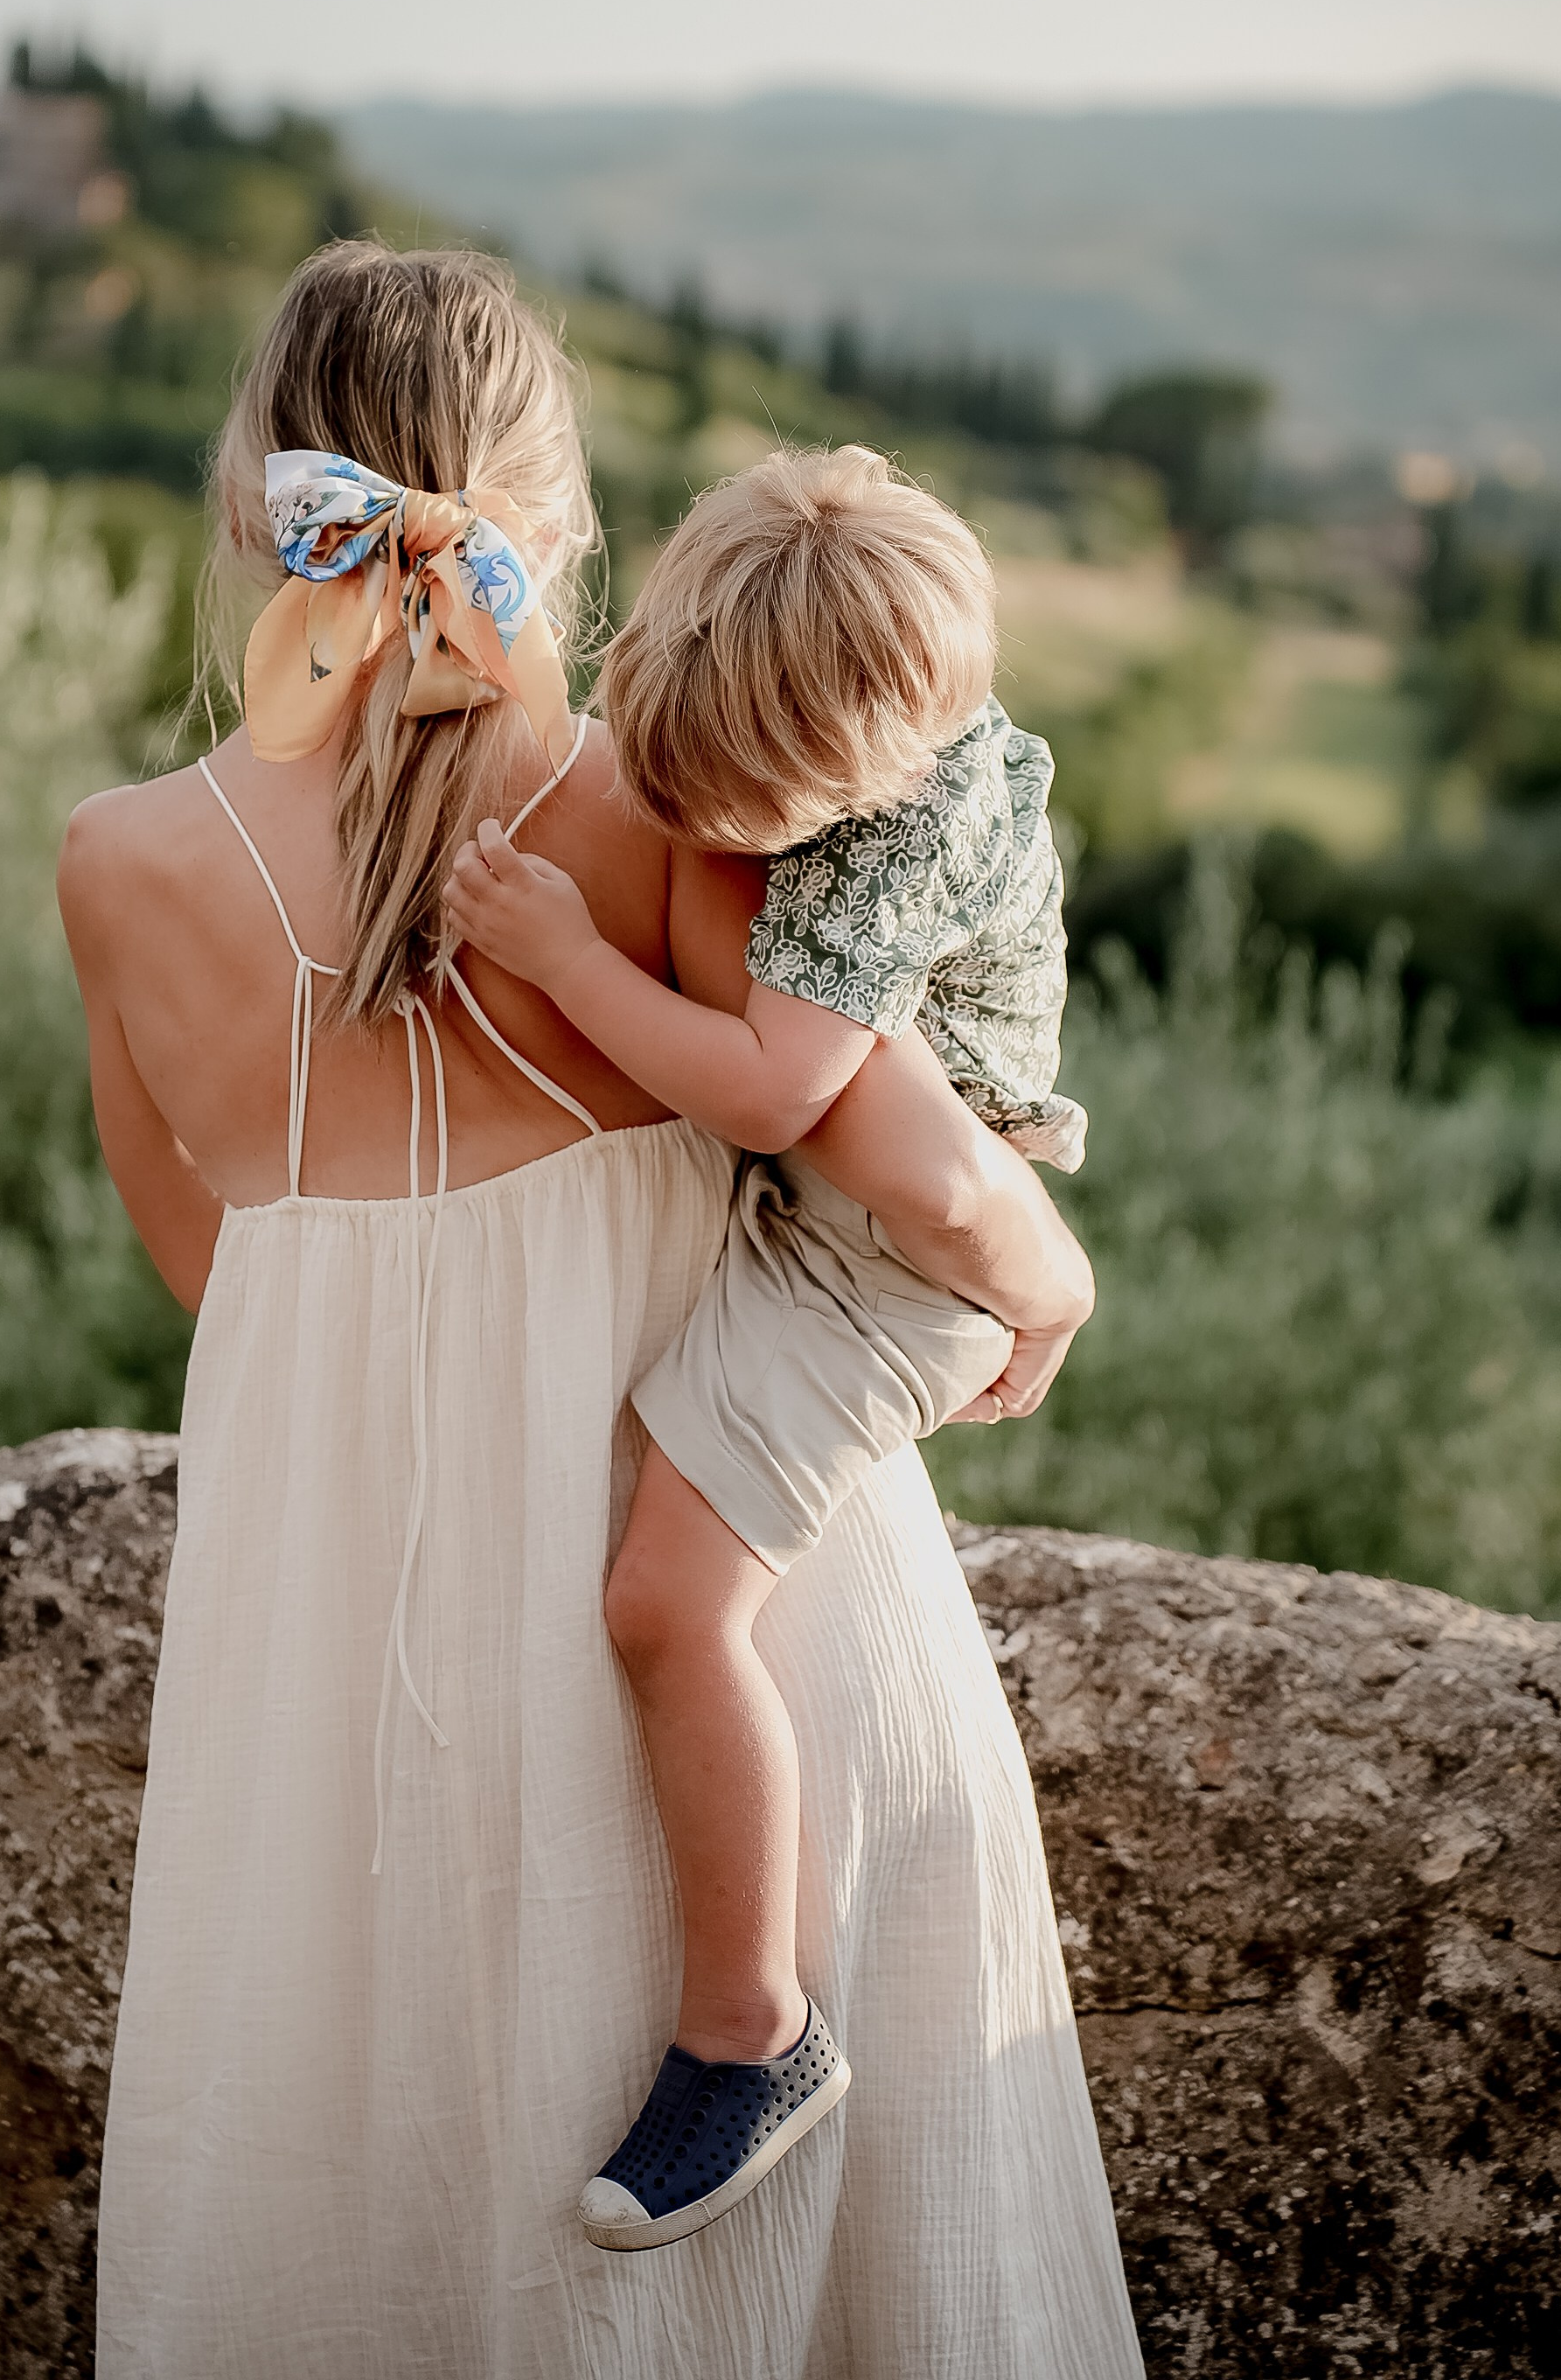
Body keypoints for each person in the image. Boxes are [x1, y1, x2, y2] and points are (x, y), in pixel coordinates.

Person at [65, 240, 1143, 2377]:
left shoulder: (118, 861)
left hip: (339, 1657)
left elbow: (209, 1268)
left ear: (258, 508)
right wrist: (1055, 1273)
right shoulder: (665, 814)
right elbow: (919, 1173)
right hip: (749, 1618)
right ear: (557, 519)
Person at [444, 441, 1093, 2249]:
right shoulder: (850, 692)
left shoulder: (892, 849)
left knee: (668, 1604)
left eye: (721, 812)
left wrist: (567, 953)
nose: (683, 824)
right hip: (846, 1216)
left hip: (883, 1262)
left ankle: (751, 2031)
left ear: (852, 781)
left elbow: (764, 1094)